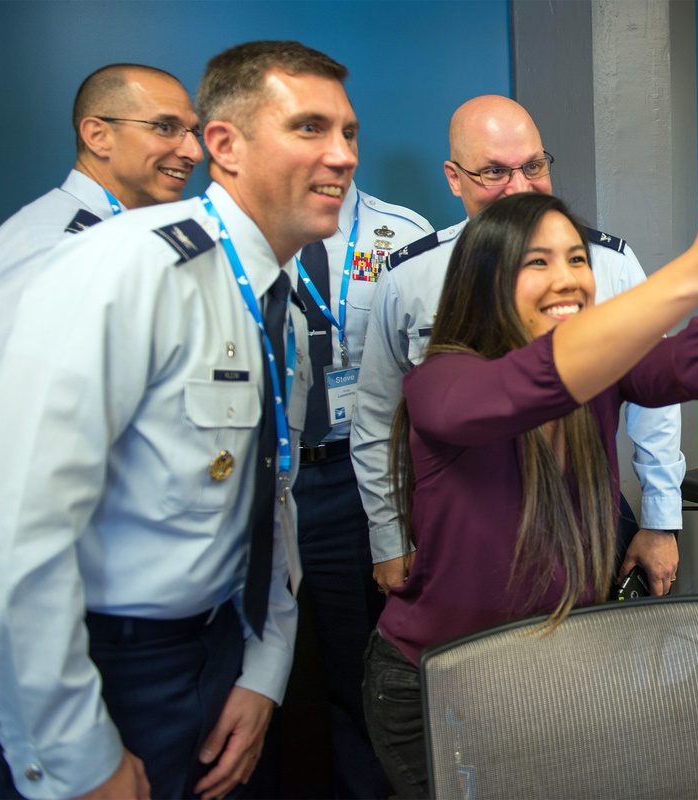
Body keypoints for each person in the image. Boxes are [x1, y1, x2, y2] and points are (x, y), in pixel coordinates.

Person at [363, 148, 698, 798]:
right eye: (538, 262)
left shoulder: (595, 374)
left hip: (558, 670)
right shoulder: (442, 383)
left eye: (578, 258)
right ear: (484, 280)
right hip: (439, 686)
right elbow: (527, 384)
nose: (569, 278)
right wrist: (695, 270)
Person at [0, 40, 359, 800]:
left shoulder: (275, 295)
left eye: (348, 132)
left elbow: (269, 499)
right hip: (101, 667)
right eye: (310, 128)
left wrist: (263, 667)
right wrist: (76, 759)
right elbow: (14, 533)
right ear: (225, 146)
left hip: (220, 646)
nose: (342, 155)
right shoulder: (125, 269)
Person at [351, 96, 685, 601]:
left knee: (597, 673)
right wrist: (389, 536)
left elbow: (653, 401)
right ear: (454, 177)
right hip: (462, 528)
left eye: (532, 165)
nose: (520, 188)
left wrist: (661, 519)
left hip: (586, 518)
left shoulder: (607, 266)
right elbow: (377, 416)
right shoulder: (410, 277)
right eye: (493, 172)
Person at [291, 180, 430, 798]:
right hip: (277, 481)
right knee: (275, 674)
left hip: (365, 478)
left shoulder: (402, 233)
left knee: (359, 661)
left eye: (344, 129)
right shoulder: (246, 230)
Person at [0, 63, 203, 427]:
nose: (193, 151)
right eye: (166, 128)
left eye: (194, 132)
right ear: (98, 136)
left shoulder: (120, 232)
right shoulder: (53, 247)